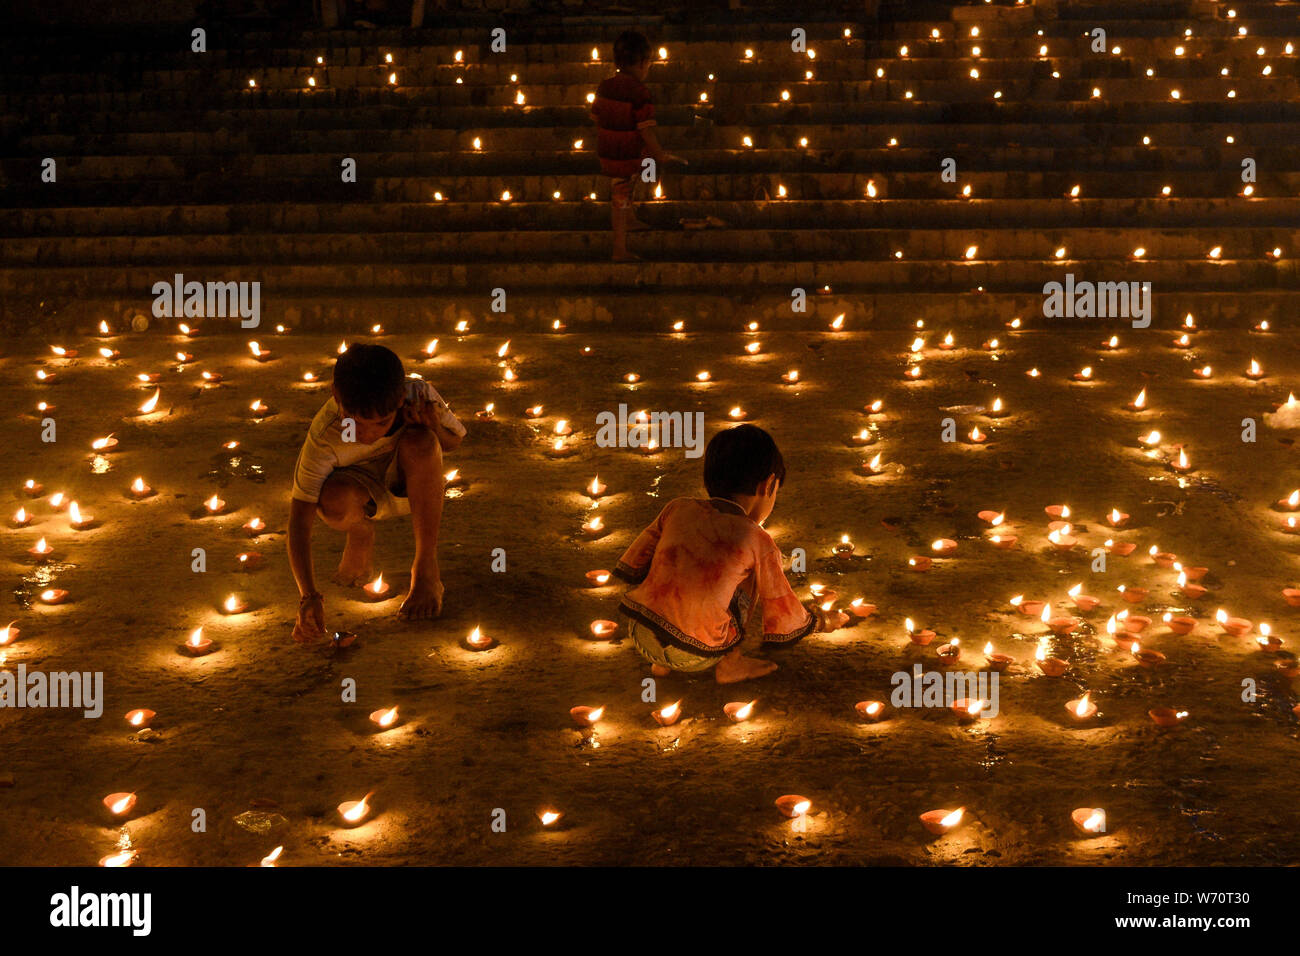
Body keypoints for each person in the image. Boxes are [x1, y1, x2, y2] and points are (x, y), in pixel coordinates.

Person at [613, 425, 819, 683]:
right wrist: (816, 621)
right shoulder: (756, 538)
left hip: (640, 634)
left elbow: (635, 562)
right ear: (768, 486)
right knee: (751, 572)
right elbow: (780, 602)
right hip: (696, 654)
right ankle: (731, 664)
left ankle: (660, 664)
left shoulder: (677, 507)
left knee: (674, 563)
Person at [288, 344, 465, 641]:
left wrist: (434, 426)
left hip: (415, 488)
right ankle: (360, 531)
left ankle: (425, 568)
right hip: (360, 494)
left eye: (381, 423)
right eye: (355, 423)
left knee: (423, 442)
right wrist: (308, 596)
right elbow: (299, 520)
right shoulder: (325, 436)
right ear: (336, 396)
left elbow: (452, 443)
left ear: (399, 399)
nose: (368, 434)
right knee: (330, 498)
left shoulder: (419, 397)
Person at [590, 29, 685, 261]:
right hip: (627, 152)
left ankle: (630, 220)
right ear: (642, 63)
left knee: (625, 188)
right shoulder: (639, 92)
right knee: (620, 198)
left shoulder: (605, 86)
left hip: (609, 150)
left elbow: (595, 116)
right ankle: (619, 249)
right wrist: (660, 155)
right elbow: (646, 129)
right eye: (649, 64)